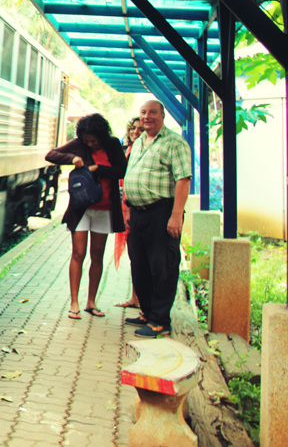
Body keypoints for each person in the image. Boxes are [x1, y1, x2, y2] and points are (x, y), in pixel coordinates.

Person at [46, 113, 126, 320]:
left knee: (97, 255)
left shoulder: (113, 144)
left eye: (94, 140)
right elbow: (51, 155)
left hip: (105, 208)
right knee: (78, 253)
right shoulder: (79, 143)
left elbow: (122, 170)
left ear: (102, 136)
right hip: (81, 208)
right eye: (86, 140)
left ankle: (91, 301)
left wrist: (98, 170)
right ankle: (74, 303)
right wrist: (72, 158)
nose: (90, 144)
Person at [123, 100, 192, 338]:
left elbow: (183, 179)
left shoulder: (174, 143)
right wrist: (129, 209)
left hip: (162, 213)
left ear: (163, 116)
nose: (147, 116)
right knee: (139, 264)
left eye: (153, 112)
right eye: (143, 113)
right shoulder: (140, 140)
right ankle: (147, 312)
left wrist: (176, 215)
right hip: (139, 214)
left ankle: (160, 320)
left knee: (162, 267)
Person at [115, 116, 144, 309]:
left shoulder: (142, 151)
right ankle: (135, 297)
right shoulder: (129, 150)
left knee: (139, 254)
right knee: (134, 255)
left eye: (140, 130)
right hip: (125, 206)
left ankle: (140, 299)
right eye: (133, 129)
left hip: (136, 208)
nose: (135, 132)